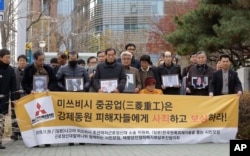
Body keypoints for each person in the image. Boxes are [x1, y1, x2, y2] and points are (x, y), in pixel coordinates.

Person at [0, 49, 18, 149]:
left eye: (9, 57)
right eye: (6, 57)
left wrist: (14, 98)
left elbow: (13, 86)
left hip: (4, 99)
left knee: (1, 119)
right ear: (1, 58)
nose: (8, 59)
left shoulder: (11, 70)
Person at [12, 54, 28, 140]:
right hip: (16, 95)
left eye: (23, 61)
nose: (22, 62)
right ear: (18, 62)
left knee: (25, 113)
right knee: (14, 114)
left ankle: (24, 132)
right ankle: (15, 132)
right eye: (20, 61)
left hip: (26, 95)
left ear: (26, 62)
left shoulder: (29, 71)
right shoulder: (14, 71)